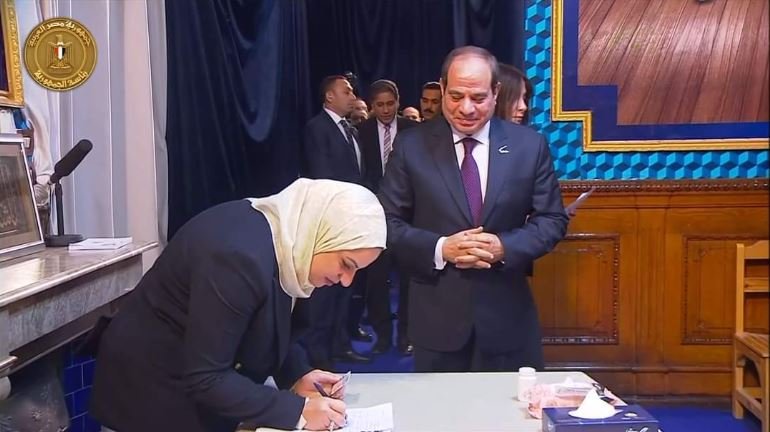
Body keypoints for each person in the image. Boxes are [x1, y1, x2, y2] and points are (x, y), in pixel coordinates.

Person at [90, 179, 386, 432]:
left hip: (192, 389)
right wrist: (298, 411)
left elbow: (267, 323)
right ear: (321, 233)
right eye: (346, 264)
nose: (346, 280)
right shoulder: (238, 258)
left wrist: (297, 374)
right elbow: (206, 376)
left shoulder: (290, 242)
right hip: (150, 396)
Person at [378, 46, 568, 373]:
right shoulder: (411, 146)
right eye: (456, 96)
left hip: (507, 320)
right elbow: (385, 221)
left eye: (478, 98)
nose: (466, 108)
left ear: (496, 92)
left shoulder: (528, 146)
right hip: (436, 321)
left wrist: (504, 246)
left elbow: (552, 219)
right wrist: (441, 248)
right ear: (442, 88)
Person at [300, 75, 372, 366]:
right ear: (329, 96)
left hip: (351, 222)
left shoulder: (350, 129)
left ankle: (340, 345)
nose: (353, 95)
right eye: (347, 91)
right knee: (325, 294)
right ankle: (318, 357)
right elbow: (322, 176)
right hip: (330, 223)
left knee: (345, 288)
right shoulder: (317, 128)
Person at [358, 79, 418, 356]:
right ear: (372, 106)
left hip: (407, 217)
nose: (385, 110)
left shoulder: (413, 131)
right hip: (373, 217)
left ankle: (406, 336)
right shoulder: (361, 132)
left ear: (398, 101)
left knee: (408, 280)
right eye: (379, 105)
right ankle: (382, 337)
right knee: (376, 281)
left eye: (390, 104)